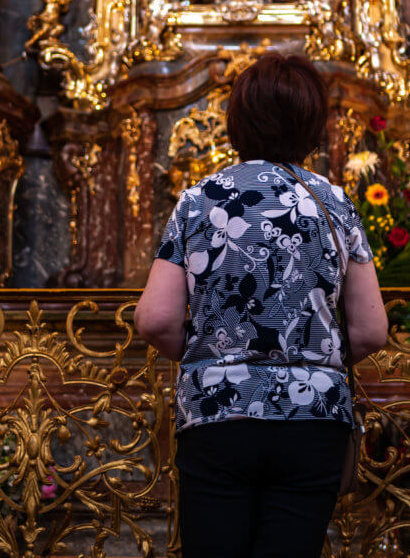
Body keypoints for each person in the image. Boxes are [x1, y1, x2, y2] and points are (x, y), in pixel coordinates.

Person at [135, 51, 388, 558]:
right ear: (313, 125)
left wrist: (214, 353)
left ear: (239, 121)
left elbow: (156, 319)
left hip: (217, 411)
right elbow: (370, 332)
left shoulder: (199, 199)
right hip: (313, 417)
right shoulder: (336, 204)